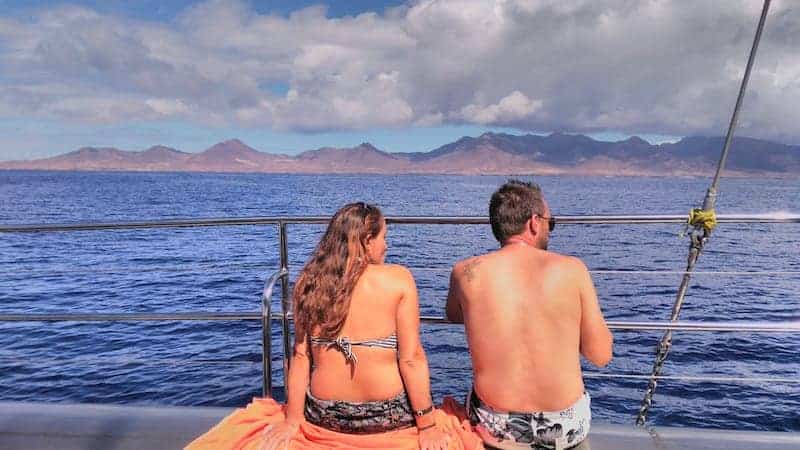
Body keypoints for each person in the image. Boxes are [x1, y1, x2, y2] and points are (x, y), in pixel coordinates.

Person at [186, 202, 482, 450]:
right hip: (388, 416)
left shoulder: (309, 282)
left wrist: (292, 421)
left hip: (323, 415)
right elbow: (411, 359)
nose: (387, 245)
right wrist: (427, 425)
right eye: (383, 237)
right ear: (367, 241)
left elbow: (300, 358)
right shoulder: (398, 279)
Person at [444, 180, 613, 450]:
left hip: (495, 426)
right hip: (564, 428)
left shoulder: (465, 272)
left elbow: (453, 315)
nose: (549, 228)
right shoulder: (572, 270)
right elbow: (600, 355)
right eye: (550, 222)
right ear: (534, 222)